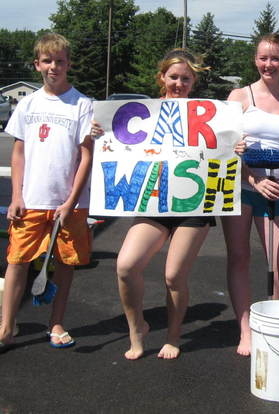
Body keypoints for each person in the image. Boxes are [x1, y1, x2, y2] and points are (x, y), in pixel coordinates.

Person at [112, 49, 216, 360]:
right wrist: (101, 134)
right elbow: (119, 146)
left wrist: (235, 145)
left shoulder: (210, 114)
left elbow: (222, 152)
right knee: (126, 266)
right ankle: (137, 327)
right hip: (154, 201)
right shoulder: (145, 113)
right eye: (173, 77)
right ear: (162, 78)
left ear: (193, 80)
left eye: (186, 78)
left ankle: (173, 335)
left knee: (173, 276)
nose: (179, 83)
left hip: (193, 204)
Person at [1, 33, 93, 349]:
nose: (54, 66)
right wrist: (16, 195)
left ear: (69, 64)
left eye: (60, 61)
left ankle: (56, 324)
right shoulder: (27, 103)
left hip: (70, 204)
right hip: (31, 200)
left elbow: (86, 156)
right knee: (17, 261)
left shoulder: (83, 104)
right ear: (37, 64)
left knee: (66, 264)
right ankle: (7, 325)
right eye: (48, 61)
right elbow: (18, 154)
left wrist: (70, 201)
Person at [223, 33, 279, 356]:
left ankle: (273, 329)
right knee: (240, 257)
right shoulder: (239, 96)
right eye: (263, 58)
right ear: (254, 59)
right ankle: (245, 330)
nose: (268, 64)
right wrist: (253, 179)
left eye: (275, 58)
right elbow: (225, 149)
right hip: (242, 189)